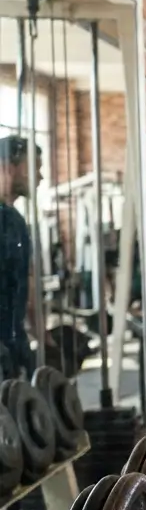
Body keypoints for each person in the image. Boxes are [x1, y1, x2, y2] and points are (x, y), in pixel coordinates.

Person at [0, 136, 38, 379]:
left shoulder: (15, 221)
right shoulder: (8, 220)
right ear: (9, 166)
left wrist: (39, 330)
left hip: (13, 344)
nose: (40, 176)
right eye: (34, 166)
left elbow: (25, 283)